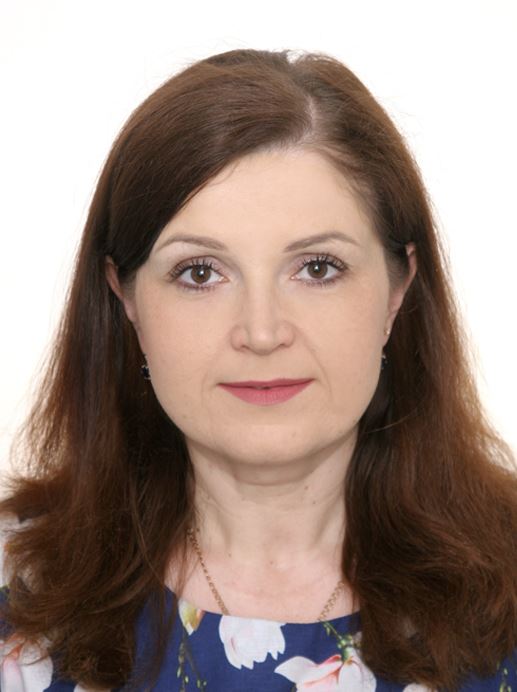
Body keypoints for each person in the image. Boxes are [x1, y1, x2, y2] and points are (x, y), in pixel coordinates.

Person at [0, 47, 516, 692]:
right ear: (125, 297)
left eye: (318, 268)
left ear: (397, 290)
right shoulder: (14, 593)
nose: (263, 332)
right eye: (200, 273)